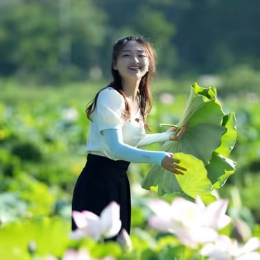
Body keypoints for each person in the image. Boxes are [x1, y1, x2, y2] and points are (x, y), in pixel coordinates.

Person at [71, 36, 186, 240]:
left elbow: (135, 140)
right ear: (115, 64)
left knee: (120, 247)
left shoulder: (138, 100)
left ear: (150, 63)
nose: (134, 60)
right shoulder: (110, 96)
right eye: (126, 55)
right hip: (97, 181)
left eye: (141, 55)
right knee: (102, 249)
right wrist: (159, 158)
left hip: (118, 181)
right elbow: (116, 149)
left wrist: (167, 136)